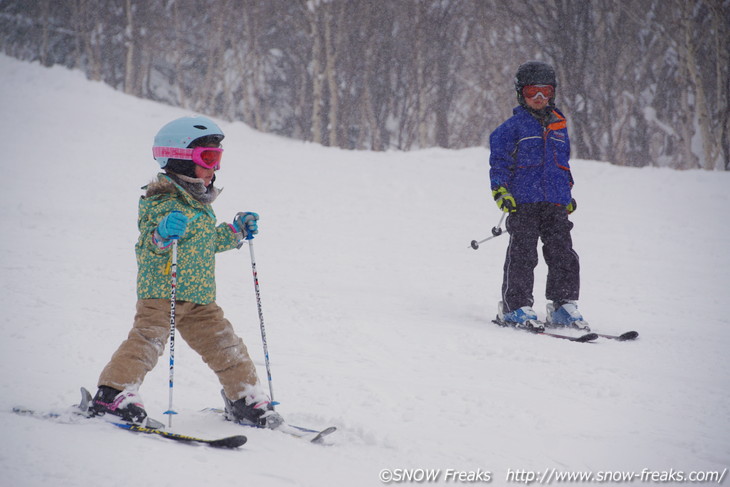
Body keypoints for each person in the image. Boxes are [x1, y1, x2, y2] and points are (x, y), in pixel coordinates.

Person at [89, 115, 283, 428]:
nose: (214, 168)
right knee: (146, 345)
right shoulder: (161, 200)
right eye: (208, 158)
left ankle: (244, 397)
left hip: (201, 299)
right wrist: (162, 235)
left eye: (218, 158)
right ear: (179, 160)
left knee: (227, 346)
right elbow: (148, 244)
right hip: (162, 293)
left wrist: (235, 231)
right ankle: (113, 394)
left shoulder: (199, 203)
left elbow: (206, 241)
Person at [488, 61, 587, 330]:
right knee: (523, 255)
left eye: (545, 92)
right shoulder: (511, 129)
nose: (539, 99)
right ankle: (515, 306)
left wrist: (567, 193)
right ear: (522, 94)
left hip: (555, 202)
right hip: (524, 202)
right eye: (533, 92)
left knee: (562, 253)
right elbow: (499, 163)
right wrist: (501, 190)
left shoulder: (559, 126)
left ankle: (562, 304)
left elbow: (562, 164)